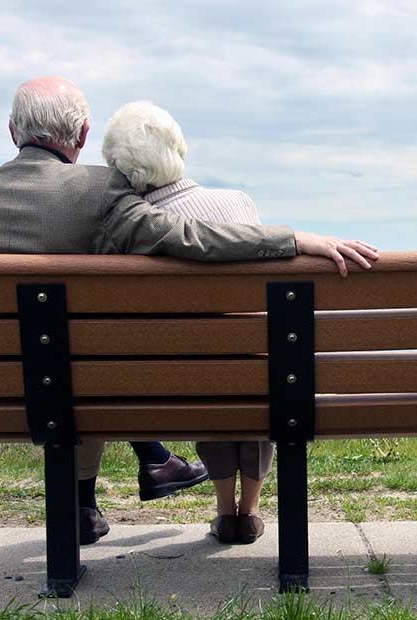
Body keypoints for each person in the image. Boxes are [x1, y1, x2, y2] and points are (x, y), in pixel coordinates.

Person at [0, 77, 380, 546]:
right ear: (83, 134)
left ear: (13, 130)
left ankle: (92, 498)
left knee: (64, 361)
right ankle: (144, 467)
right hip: (77, 388)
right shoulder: (98, 190)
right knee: (74, 364)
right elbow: (188, 237)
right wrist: (295, 240)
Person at [102, 101, 329, 544]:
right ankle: (250, 509)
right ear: (179, 148)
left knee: (205, 366)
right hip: (258, 374)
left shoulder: (130, 227)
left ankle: (225, 511)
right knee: (257, 364)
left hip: (184, 382)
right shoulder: (237, 202)